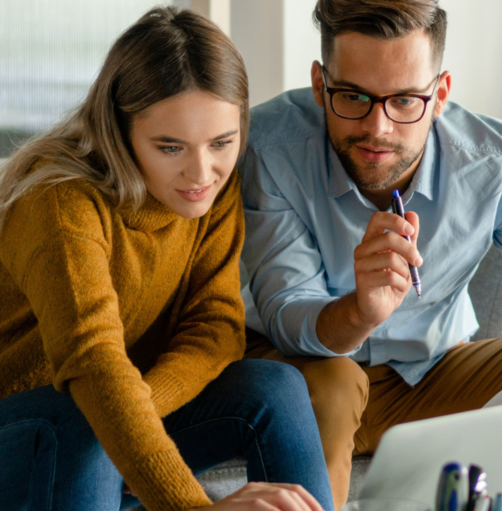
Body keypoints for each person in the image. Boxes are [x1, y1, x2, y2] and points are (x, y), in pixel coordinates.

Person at [239, 1, 502, 510]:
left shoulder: (500, 160)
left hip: (434, 371)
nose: (378, 128)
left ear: (440, 93)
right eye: (353, 96)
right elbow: (287, 312)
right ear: (319, 85)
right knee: (333, 386)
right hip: (310, 370)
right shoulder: (270, 147)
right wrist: (360, 311)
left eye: (404, 101)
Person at [0, 7, 333, 511]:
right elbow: (95, 367)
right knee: (89, 415)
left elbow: (216, 326)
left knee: (275, 386)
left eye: (222, 142)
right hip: (27, 430)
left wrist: (143, 416)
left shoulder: (213, 190)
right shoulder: (61, 202)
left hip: (117, 410)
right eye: (170, 146)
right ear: (119, 130)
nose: (202, 171)